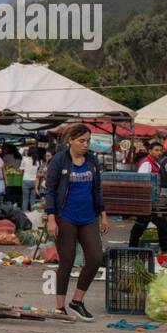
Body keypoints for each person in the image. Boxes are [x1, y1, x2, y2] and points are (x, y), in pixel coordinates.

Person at [46, 123, 109, 321]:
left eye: (88, 141)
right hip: (65, 217)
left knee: (96, 258)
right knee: (67, 261)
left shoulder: (92, 160)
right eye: (81, 141)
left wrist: (103, 213)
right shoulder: (59, 160)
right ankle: (59, 307)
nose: (85, 144)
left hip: (88, 217)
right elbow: (50, 190)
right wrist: (51, 218)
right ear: (70, 140)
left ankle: (77, 301)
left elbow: (97, 189)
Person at [129, 141, 167, 255]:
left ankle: (165, 250)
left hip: (154, 203)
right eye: (156, 150)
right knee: (140, 227)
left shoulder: (156, 163)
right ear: (150, 151)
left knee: (162, 225)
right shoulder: (146, 164)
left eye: (160, 150)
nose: (159, 152)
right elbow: (141, 182)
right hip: (146, 203)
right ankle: (131, 250)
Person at [20, 146, 39, 212]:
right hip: (34, 181)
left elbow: (21, 171)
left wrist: (23, 177)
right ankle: (33, 214)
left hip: (26, 180)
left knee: (25, 199)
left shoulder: (24, 159)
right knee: (32, 200)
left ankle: (24, 215)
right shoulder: (37, 161)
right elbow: (37, 173)